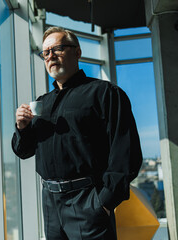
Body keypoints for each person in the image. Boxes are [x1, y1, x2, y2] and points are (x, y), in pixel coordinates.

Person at [11, 27, 143, 239]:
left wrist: (104, 203)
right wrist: (22, 127)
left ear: (77, 52)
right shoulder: (43, 102)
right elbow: (24, 151)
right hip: (50, 203)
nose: (50, 56)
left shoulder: (105, 93)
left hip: (88, 201)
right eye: (45, 52)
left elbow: (126, 152)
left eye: (58, 49)